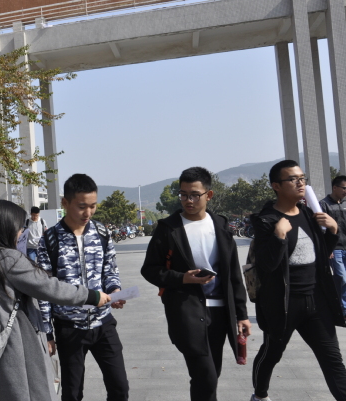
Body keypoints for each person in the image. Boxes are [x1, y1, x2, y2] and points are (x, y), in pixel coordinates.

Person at [0, 199, 111, 401]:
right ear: (7, 227)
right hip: (15, 343)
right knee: (27, 391)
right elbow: (49, 287)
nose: (21, 232)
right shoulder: (9, 259)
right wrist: (91, 296)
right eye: (19, 227)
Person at [141, 166, 251, 401]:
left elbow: (233, 274)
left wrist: (241, 314)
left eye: (194, 195)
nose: (188, 200)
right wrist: (182, 278)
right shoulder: (168, 228)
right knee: (206, 376)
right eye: (183, 194)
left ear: (208, 195)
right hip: (186, 311)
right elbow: (149, 270)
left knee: (211, 375)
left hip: (220, 312)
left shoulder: (220, 225)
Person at [250, 160, 346, 401]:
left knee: (333, 360)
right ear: (276, 186)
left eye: (302, 178)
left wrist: (333, 231)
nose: (300, 183)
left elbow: (319, 255)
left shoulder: (308, 213)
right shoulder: (266, 220)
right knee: (272, 353)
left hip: (316, 301)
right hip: (284, 303)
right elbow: (267, 265)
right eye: (293, 179)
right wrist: (278, 236)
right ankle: (260, 395)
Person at [37, 173, 129, 401]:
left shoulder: (102, 233)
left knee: (120, 387)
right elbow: (44, 290)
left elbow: (110, 271)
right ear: (65, 203)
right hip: (69, 327)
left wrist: (115, 290)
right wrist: (47, 333)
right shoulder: (50, 240)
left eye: (93, 206)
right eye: (81, 207)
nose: (88, 212)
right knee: (72, 392)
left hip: (103, 323)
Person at [320, 175, 346, 316]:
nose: (345, 191)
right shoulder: (324, 205)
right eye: (344, 188)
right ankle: (341, 308)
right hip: (335, 248)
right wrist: (327, 247)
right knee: (341, 277)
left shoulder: (345, 204)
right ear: (335, 187)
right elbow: (321, 229)